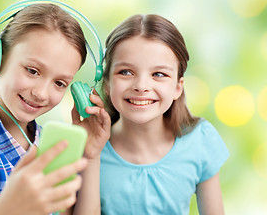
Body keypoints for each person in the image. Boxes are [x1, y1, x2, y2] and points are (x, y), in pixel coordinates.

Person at [0, 2, 110, 214]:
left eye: (59, 83)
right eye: (32, 71)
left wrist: (91, 155)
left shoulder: (45, 144)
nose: (41, 93)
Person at [98, 14, 229, 214]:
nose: (141, 86)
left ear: (178, 87)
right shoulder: (89, 148)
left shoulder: (200, 141)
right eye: (125, 72)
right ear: (107, 84)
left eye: (159, 74)